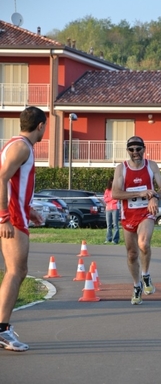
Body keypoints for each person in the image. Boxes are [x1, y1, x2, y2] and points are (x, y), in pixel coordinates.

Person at [0, 106, 46, 352]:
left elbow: (15, 184)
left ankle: (2, 328)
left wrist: (29, 209)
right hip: (12, 219)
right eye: (44, 128)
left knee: (18, 270)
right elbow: (1, 177)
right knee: (15, 271)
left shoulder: (18, 145)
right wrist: (4, 217)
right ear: (40, 125)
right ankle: (2, 330)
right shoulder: (21, 147)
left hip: (19, 215)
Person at [112, 136, 161, 305]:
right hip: (128, 214)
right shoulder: (121, 168)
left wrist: (155, 197)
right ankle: (136, 286)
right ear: (128, 151)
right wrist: (140, 193)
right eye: (132, 149)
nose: (135, 153)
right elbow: (116, 194)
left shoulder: (151, 166)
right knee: (132, 254)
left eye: (139, 149)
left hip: (146, 212)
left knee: (143, 244)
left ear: (144, 149)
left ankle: (146, 275)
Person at [103, 176, 120, 244]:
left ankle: (115, 239)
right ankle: (108, 238)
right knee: (108, 225)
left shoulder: (117, 190)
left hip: (115, 208)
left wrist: (111, 199)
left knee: (115, 224)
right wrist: (112, 198)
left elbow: (116, 199)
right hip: (108, 209)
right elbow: (105, 199)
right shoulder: (107, 190)